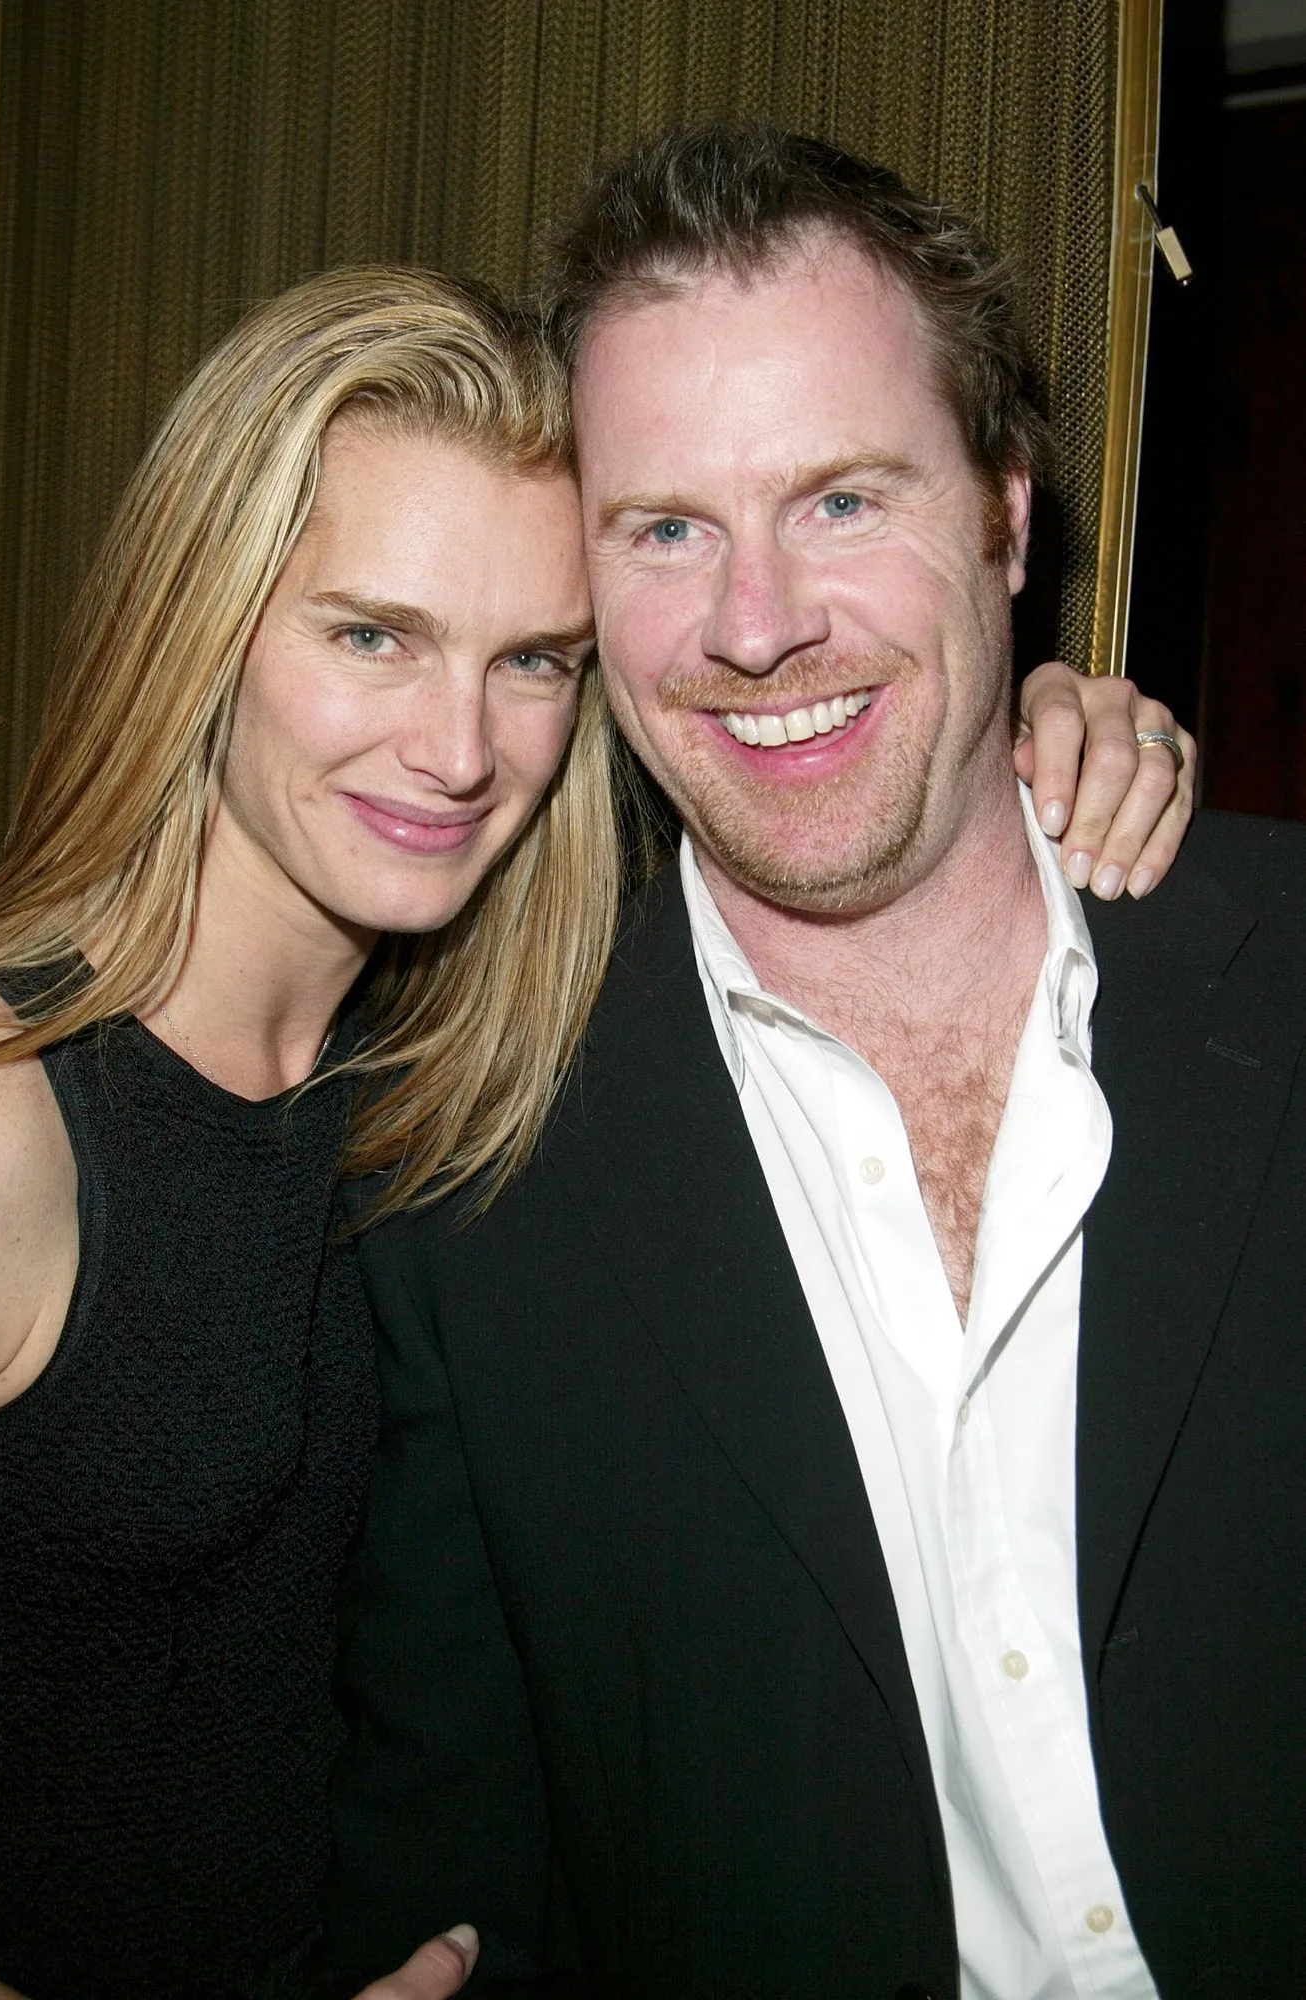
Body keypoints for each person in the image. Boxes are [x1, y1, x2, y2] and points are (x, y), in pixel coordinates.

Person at [329, 129, 1300, 2000]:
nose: (755, 624)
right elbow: (457, 1872)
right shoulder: (456, 1176)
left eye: (842, 500)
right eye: (664, 529)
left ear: (1005, 516)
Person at [0, 266, 616, 2000]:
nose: (460, 750)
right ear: (202, 622)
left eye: (532, 660)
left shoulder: (427, 1071)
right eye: (371, 635)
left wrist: (1056, 740)